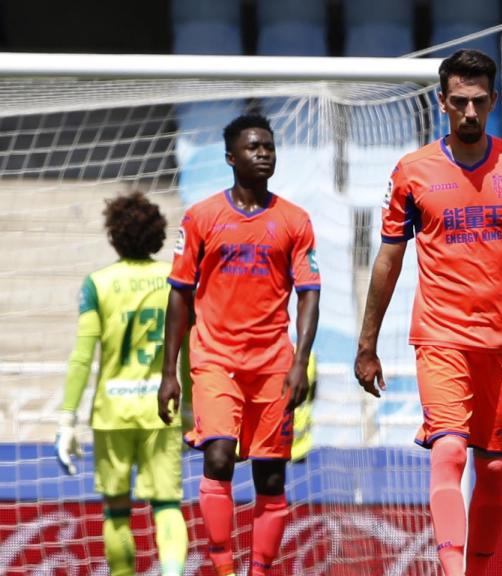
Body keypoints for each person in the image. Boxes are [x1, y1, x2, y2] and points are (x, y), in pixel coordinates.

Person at [354, 48, 502, 576]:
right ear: (442, 103)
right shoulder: (412, 172)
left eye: (479, 102)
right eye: (460, 102)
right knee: (449, 450)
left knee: (494, 467)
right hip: (440, 335)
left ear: (494, 100)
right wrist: (367, 344)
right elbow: (388, 260)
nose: (470, 112)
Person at [158, 113, 321, 576]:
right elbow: (179, 292)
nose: (264, 153)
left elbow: (310, 292)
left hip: (273, 363)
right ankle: (224, 566)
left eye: (268, 146)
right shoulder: (202, 217)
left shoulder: (294, 220)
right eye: (253, 147)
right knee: (218, 455)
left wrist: (300, 362)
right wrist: (170, 372)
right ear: (231, 158)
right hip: (215, 359)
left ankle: (261, 570)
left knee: (270, 475)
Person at [56, 191, 189, 576]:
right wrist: (194, 407)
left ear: (113, 235)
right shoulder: (175, 279)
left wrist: (67, 418)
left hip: (111, 410)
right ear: (158, 235)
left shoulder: (98, 283)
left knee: (116, 510)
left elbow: (83, 354)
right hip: (160, 410)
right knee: (167, 506)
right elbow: (190, 347)